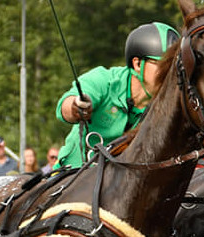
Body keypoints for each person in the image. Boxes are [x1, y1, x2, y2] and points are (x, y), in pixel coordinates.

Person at [54, 21, 179, 169]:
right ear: (137, 64)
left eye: (174, 66)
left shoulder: (170, 104)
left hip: (123, 186)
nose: (171, 74)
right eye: (164, 65)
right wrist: (76, 107)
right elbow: (65, 107)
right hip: (74, 176)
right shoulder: (104, 80)